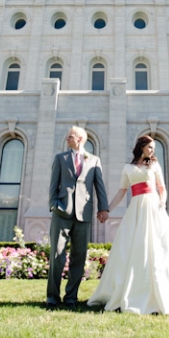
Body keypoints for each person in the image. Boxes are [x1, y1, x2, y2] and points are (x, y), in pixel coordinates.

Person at [87, 135, 169, 314]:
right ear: (142, 147)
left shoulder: (154, 165)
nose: (152, 150)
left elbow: (162, 188)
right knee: (131, 246)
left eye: (154, 148)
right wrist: (106, 209)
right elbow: (121, 193)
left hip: (153, 206)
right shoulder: (128, 168)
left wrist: (162, 202)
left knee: (158, 245)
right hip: (136, 208)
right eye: (150, 147)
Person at [47, 126, 109, 308]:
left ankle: (71, 297)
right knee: (57, 255)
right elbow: (53, 184)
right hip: (62, 212)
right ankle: (52, 297)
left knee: (79, 257)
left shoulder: (94, 160)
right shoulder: (60, 159)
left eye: (71, 136)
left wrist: (103, 208)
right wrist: (53, 204)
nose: (67, 138)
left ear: (80, 139)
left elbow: (100, 186)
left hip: (84, 214)